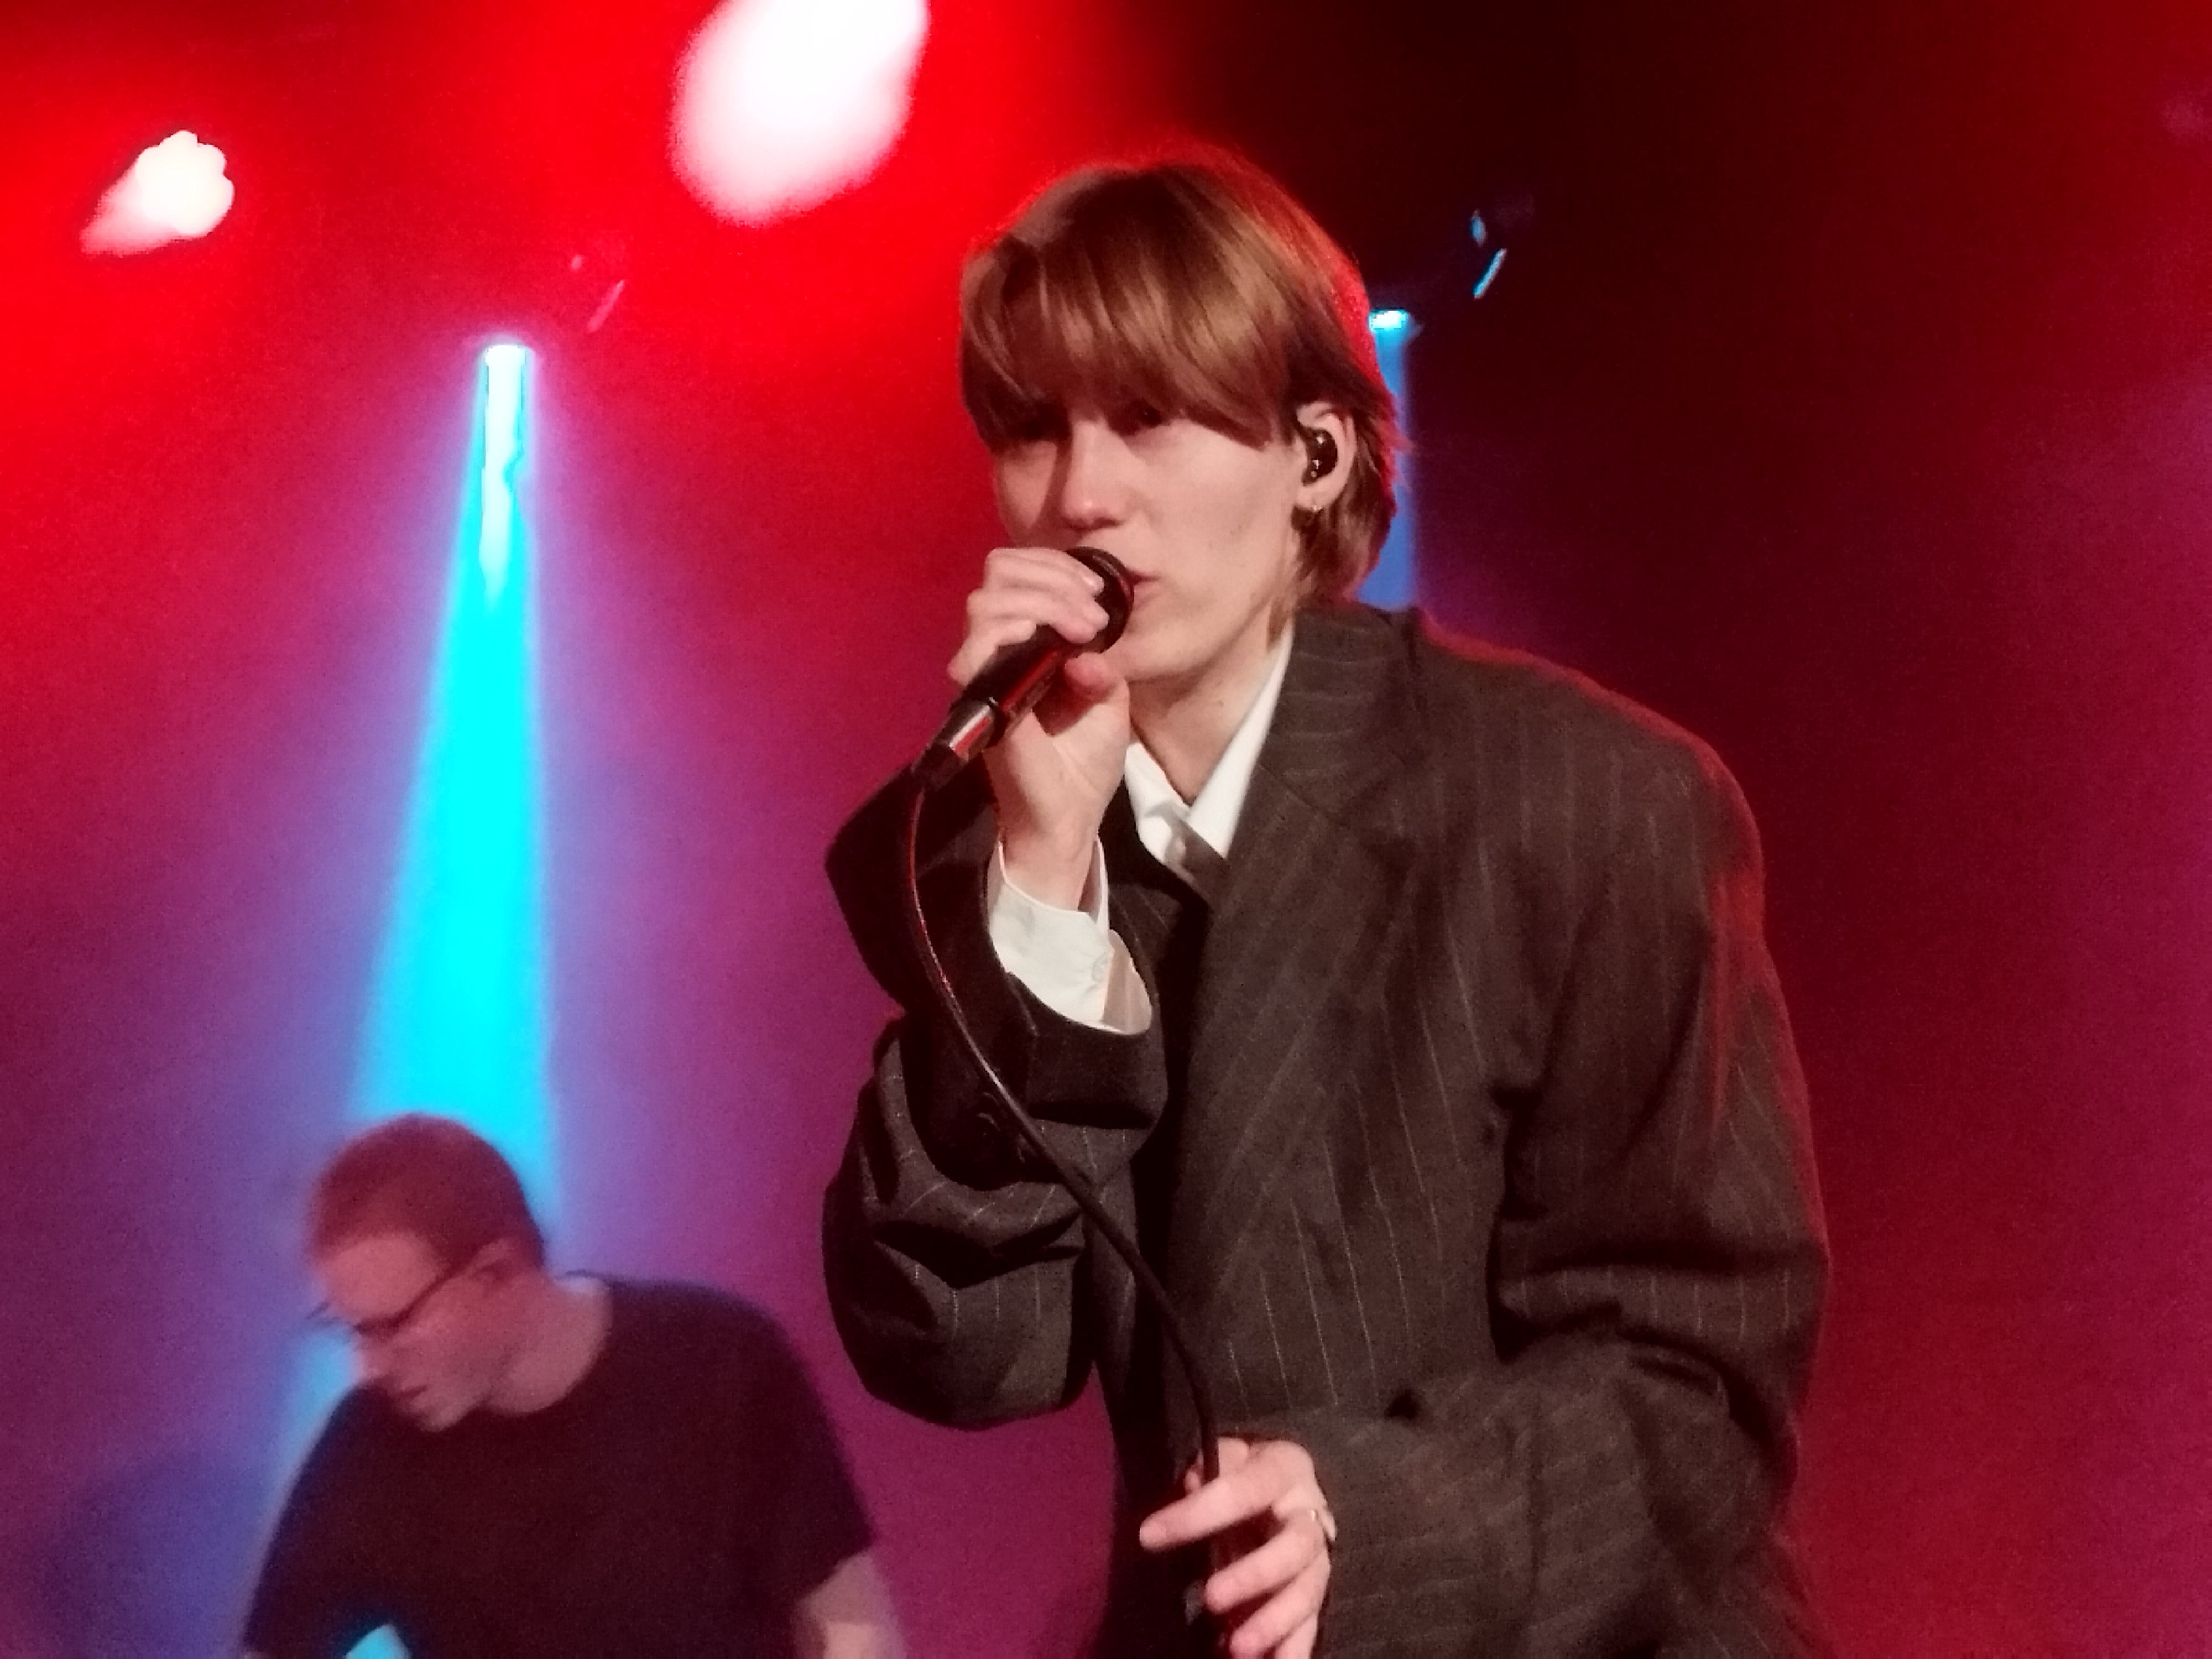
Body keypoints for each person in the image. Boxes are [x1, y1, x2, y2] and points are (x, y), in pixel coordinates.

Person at [819, 151, 1830, 1657]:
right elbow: (962, 1353)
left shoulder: (1589, 802)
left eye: (1147, 416)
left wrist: (1373, 1517)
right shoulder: (992, 845)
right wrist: (1038, 883)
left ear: (1315, 456)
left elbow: (1702, 1387)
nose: (1080, 495)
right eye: (1033, 428)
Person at [246, 1112, 901, 1658]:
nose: (369, 1368)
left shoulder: (722, 1362)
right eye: (352, 1331)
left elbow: (852, 1626)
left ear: (496, 1271)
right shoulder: (370, 1445)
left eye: (395, 1326)